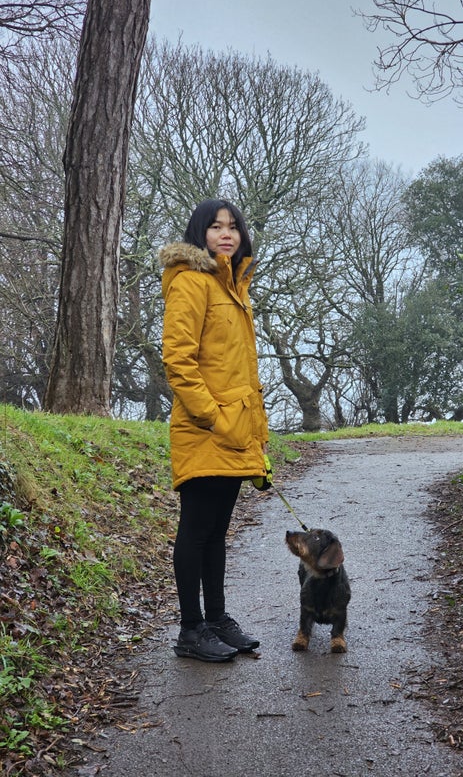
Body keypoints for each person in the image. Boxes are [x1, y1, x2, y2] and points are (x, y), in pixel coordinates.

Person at [159, 198, 269, 662]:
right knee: (196, 529)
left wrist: (251, 431)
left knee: (217, 531)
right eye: (216, 227)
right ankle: (191, 629)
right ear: (199, 234)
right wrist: (214, 417)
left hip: (234, 429)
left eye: (233, 227)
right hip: (205, 427)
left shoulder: (235, 287)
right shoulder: (190, 281)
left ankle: (217, 619)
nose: (226, 234)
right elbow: (178, 361)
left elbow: (238, 370)